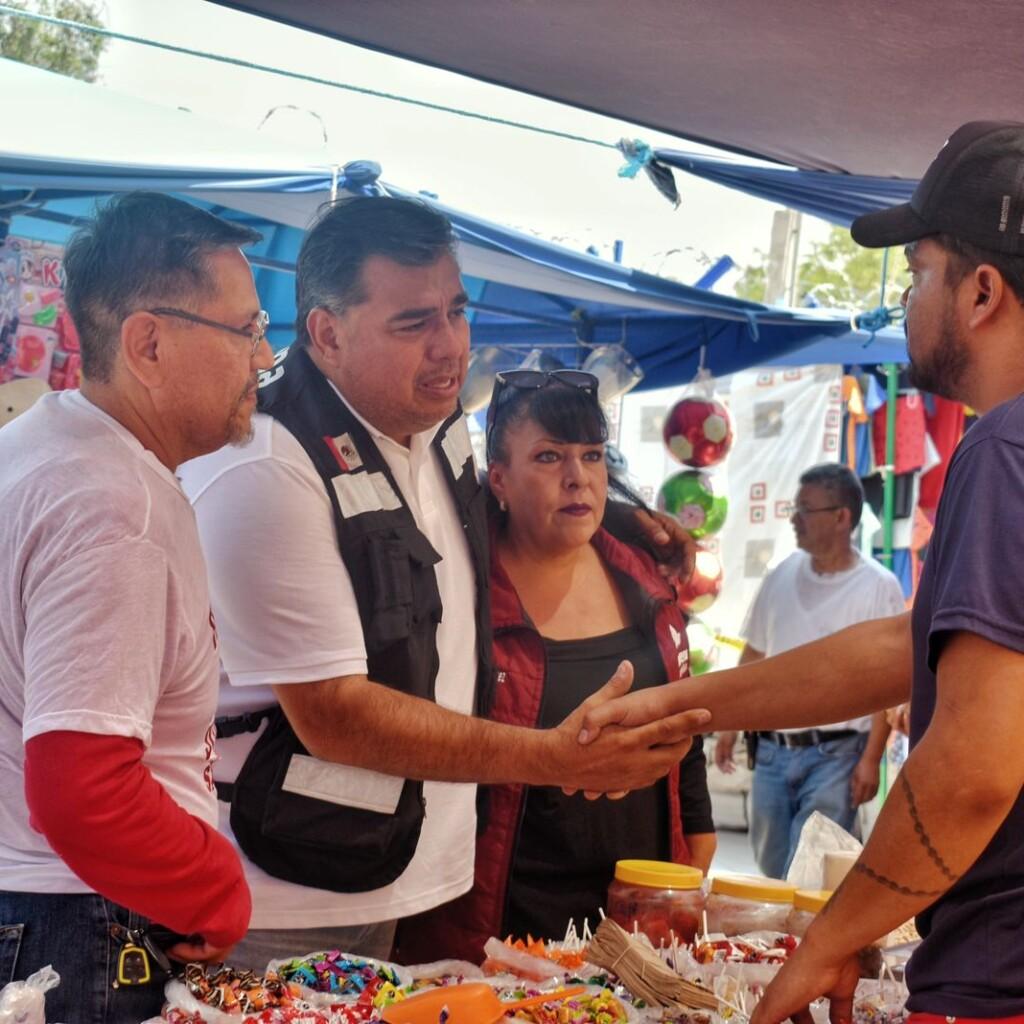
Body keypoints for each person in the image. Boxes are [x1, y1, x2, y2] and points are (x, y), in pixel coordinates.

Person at [179, 196, 706, 967]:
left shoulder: (439, 421)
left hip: (417, 880)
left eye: (457, 313)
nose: (449, 347)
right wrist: (548, 756)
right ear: (326, 332)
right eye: (413, 323)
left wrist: (621, 521)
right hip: (282, 892)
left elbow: (479, 515)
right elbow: (334, 716)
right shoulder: (268, 466)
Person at [577, 121, 1024, 1022]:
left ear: (981, 291)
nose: (905, 302)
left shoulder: (1004, 449)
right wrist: (680, 705)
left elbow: (976, 763)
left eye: (917, 274)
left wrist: (830, 938)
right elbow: (911, 643)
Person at [0, 192, 271, 1023]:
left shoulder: (42, 447)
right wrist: (215, 889)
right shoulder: (115, 507)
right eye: (247, 329)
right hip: (78, 924)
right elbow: (81, 787)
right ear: (148, 343)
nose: (264, 357)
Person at [396, 370, 715, 960]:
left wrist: (695, 856)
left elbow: (682, 733)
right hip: (499, 923)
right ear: (498, 479)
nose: (577, 477)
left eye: (591, 455)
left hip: (635, 923)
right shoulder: (458, 591)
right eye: (548, 457)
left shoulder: (646, 577)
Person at [714, 463, 904, 878]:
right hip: (772, 751)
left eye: (805, 510)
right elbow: (754, 655)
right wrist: (728, 723)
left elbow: (888, 683)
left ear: (842, 517)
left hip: (837, 755)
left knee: (813, 868)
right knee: (769, 863)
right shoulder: (781, 575)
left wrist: (871, 759)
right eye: (795, 510)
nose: (794, 520)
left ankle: (806, 945)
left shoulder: (878, 586)